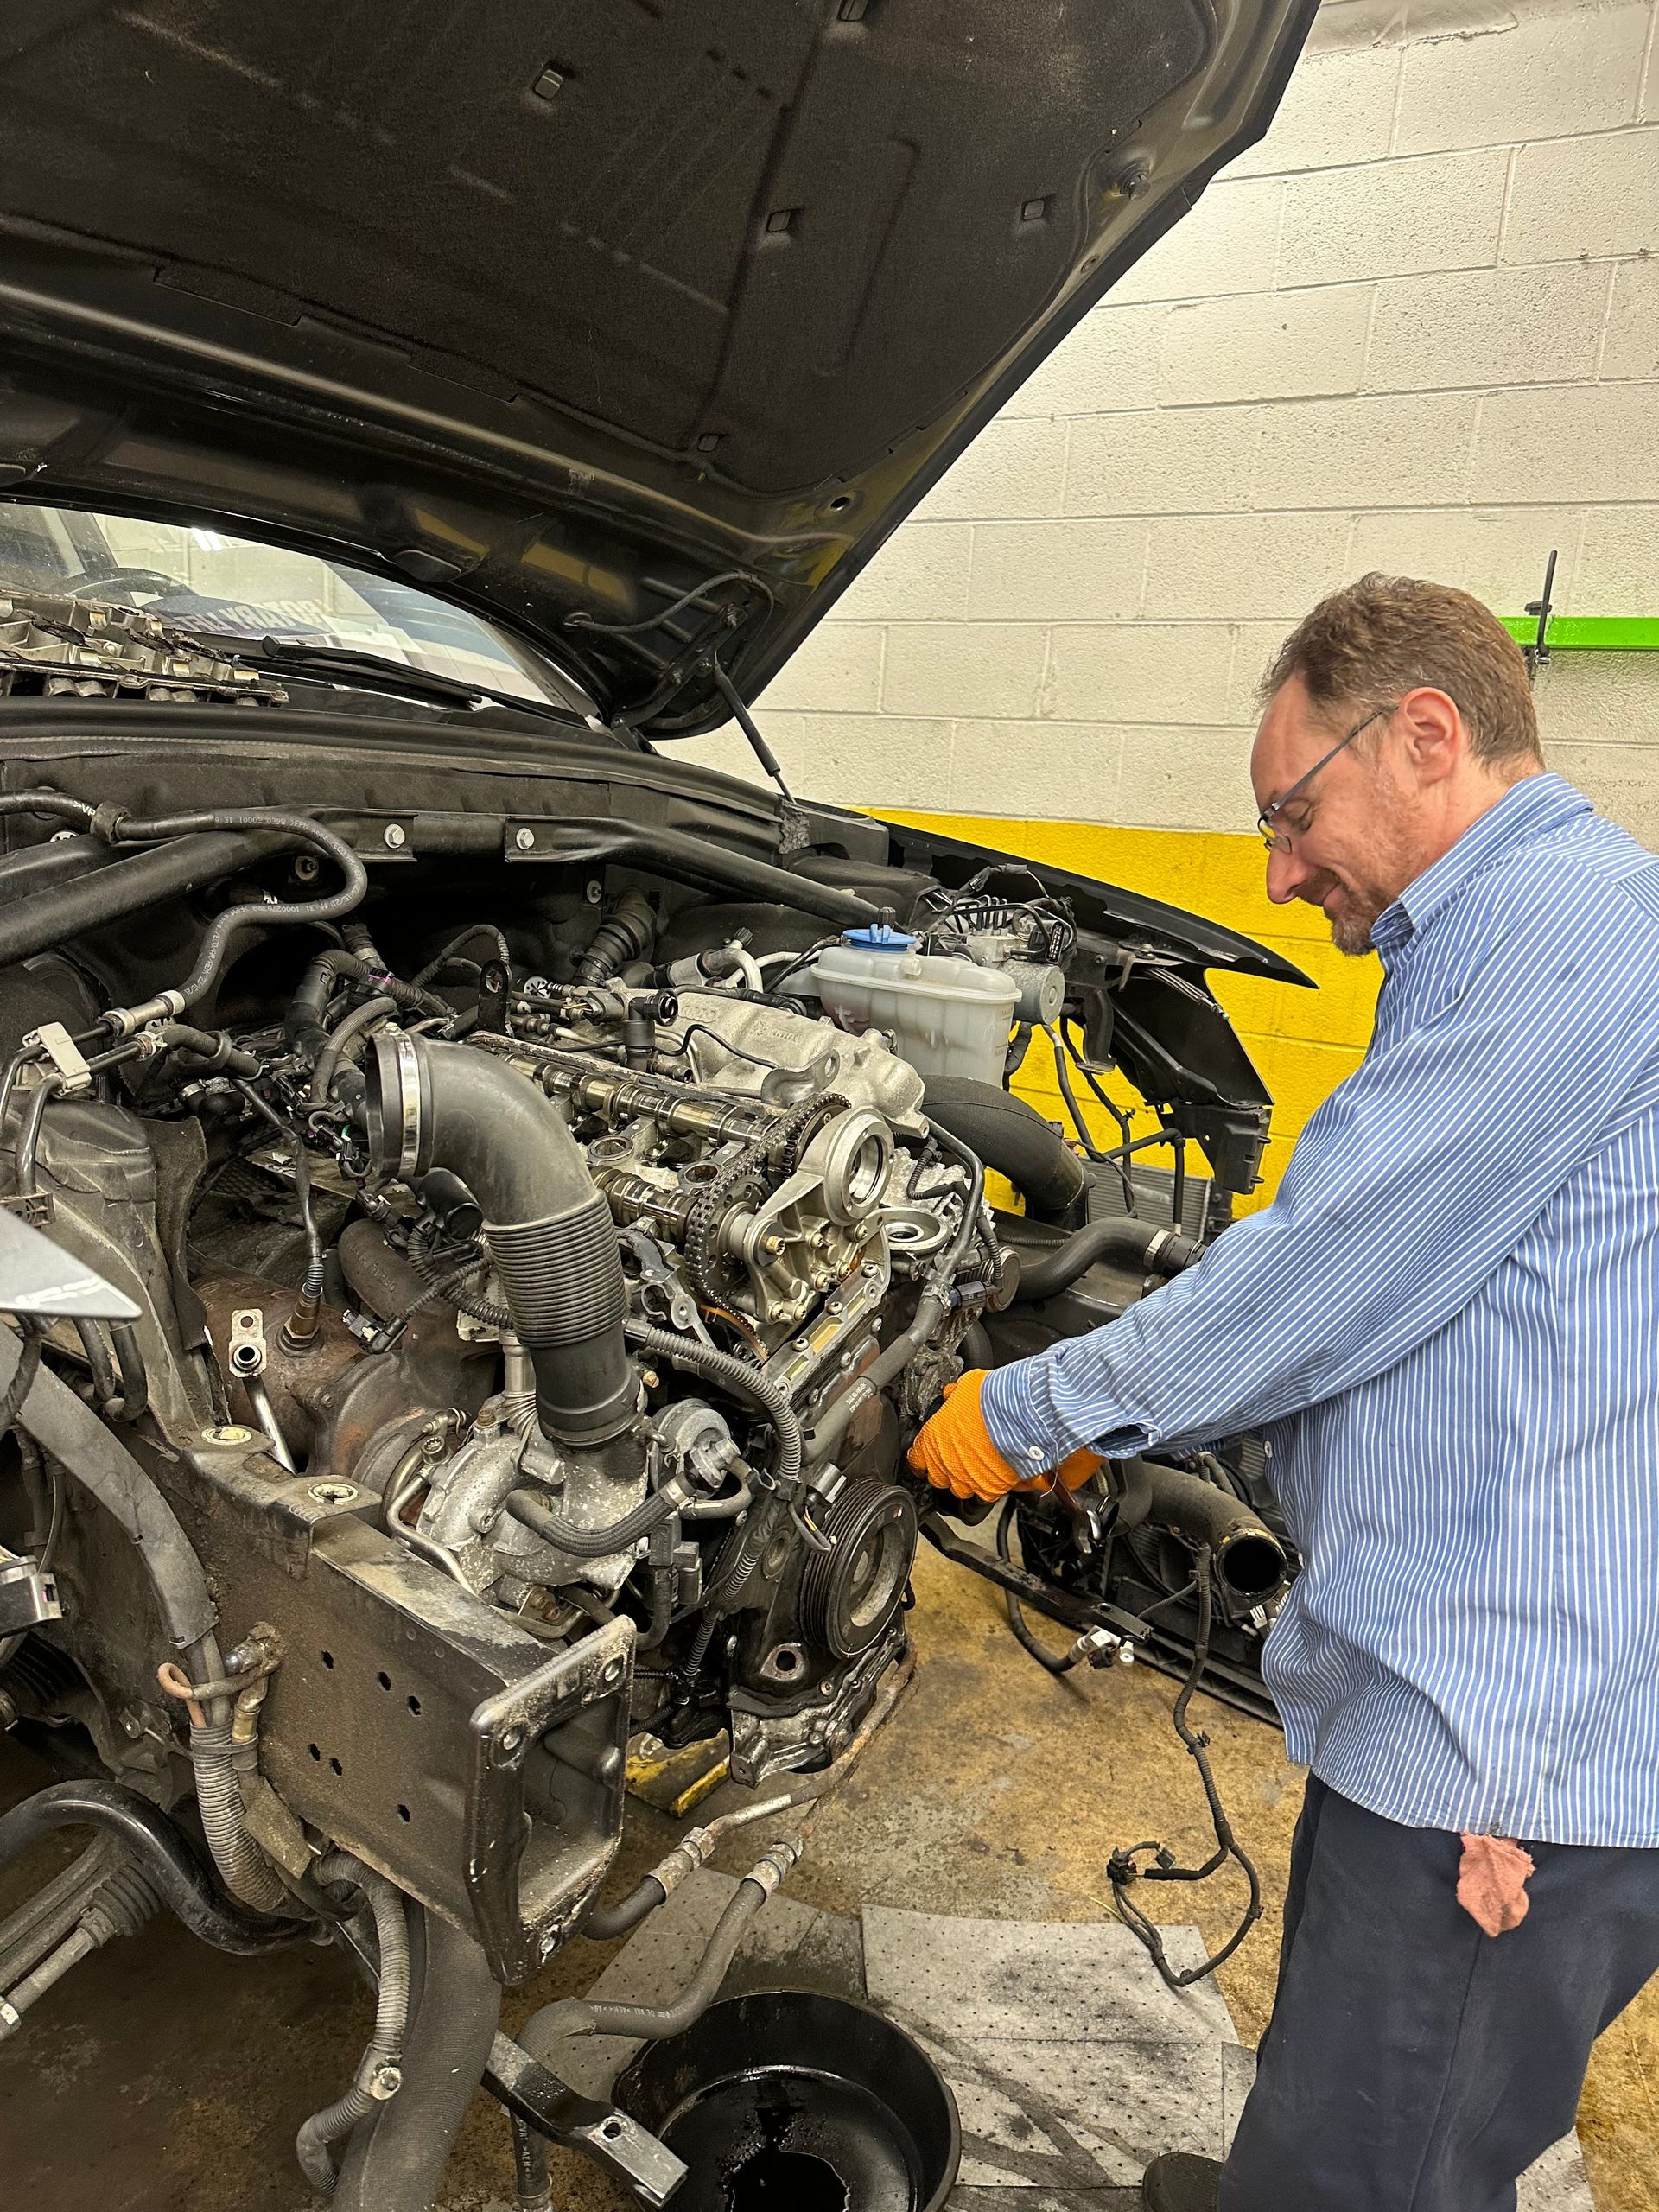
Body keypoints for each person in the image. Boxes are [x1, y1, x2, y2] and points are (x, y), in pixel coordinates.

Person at [907, 575, 1659, 2212]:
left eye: (1291, 813)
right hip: (1446, 1692)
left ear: (1429, 737)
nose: (1278, 871)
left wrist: (1031, 1412)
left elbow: (1330, 1272)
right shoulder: (1518, 925)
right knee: (1346, 2080)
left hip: (1508, 1743)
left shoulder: (1565, 933)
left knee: (1389, 2154)